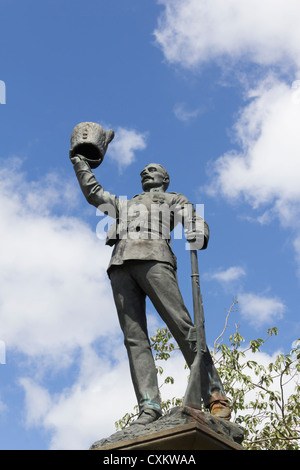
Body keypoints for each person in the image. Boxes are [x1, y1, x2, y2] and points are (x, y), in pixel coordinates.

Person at [70, 154, 231, 424]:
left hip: (155, 258)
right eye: (143, 170)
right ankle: (149, 405)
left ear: (164, 179)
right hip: (120, 264)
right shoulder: (125, 203)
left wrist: (199, 232)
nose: (145, 172)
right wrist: (80, 163)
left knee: (183, 327)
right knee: (134, 339)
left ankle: (214, 395)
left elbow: (194, 219)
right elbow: (94, 194)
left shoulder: (172, 199)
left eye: (152, 169)